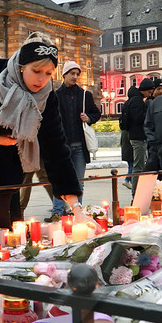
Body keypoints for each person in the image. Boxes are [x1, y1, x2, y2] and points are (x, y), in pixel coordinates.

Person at [0, 37, 82, 232]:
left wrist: (76, 206)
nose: (42, 79)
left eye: (48, 73)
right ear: (21, 67)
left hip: (9, 152)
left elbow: (55, 146)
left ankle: (0, 247)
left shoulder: (47, 97)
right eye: (36, 71)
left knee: (1, 213)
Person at [53, 60, 101, 216]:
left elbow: (96, 113)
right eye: (72, 73)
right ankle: (57, 212)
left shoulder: (84, 95)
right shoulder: (55, 95)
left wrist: (89, 118)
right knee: (60, 180)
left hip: (80, 146)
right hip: (62, 146)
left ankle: (77, 212)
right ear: (64, 74)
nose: (75, 77)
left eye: (77, 74)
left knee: (79, 181)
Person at [120, 77, 156, 192]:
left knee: (138, 165)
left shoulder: (133, 99)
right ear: (144, 90)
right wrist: (149, 112)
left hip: (135, 135)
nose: (150, 95)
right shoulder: (137, 101)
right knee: (138, 167)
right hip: (138, 136)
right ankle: (136, 193)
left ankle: (137, 191)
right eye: (149, 92)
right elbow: (139, 118)